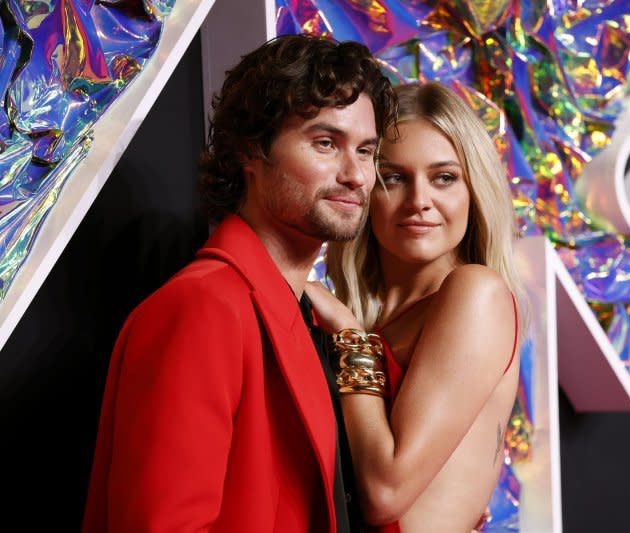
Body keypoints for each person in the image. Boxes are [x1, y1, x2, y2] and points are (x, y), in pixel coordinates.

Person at [82, 35, 396, 532]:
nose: (356, 175)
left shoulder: (310, 319)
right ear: (252, 149)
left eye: (366, 150)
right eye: (325, 143)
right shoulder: (204, 306)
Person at [306, 82, 525, 532]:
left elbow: (386, 493)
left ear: (473, 190)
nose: (419, 201)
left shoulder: (475, 293)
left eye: (444, 177)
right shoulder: (369, 317)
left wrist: (350, 339)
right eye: (394, 177)